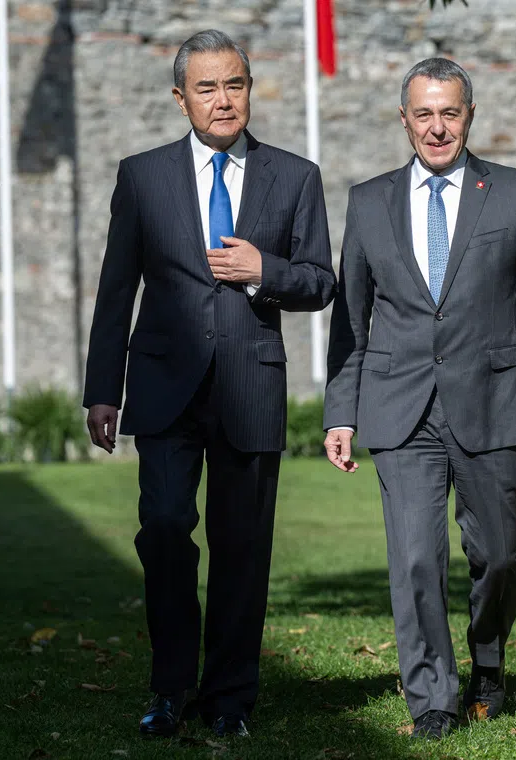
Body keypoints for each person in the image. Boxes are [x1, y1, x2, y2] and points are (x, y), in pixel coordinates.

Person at [82, 29, 335, 739]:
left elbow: (320, 281)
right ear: (180, 98)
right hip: (164, 387)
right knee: (163, 529)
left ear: (250, 89)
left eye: (235, 85)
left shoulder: (296, 176)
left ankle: (230, 698)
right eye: (207, 87)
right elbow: (115, 291)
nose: (223, 100)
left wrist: (266, 270)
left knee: (242, 547)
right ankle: (169, 689)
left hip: (251, 387)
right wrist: (103, 389)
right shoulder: (142, 176)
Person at [322, 58, 516, 740]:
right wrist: (340, 411)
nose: (438, 127)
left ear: (470, 116)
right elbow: (349, 317)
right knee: (415, 557)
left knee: (500, 553)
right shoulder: (368, 200)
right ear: (403, 119)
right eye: (424, 114)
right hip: (398, 404)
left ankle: (488, 662)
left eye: (451, 113)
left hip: (492, 399)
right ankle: (433, 695)